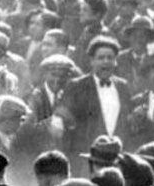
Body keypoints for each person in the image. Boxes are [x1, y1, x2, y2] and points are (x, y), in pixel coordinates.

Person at [55, 36, 132, 165]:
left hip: (117, 159)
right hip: (86, 158)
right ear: (92, 61)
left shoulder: (123, 86)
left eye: (110, 58)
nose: (106, 62)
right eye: (101, 58)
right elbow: (64, 120)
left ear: (115, 61)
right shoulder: (76, 86)